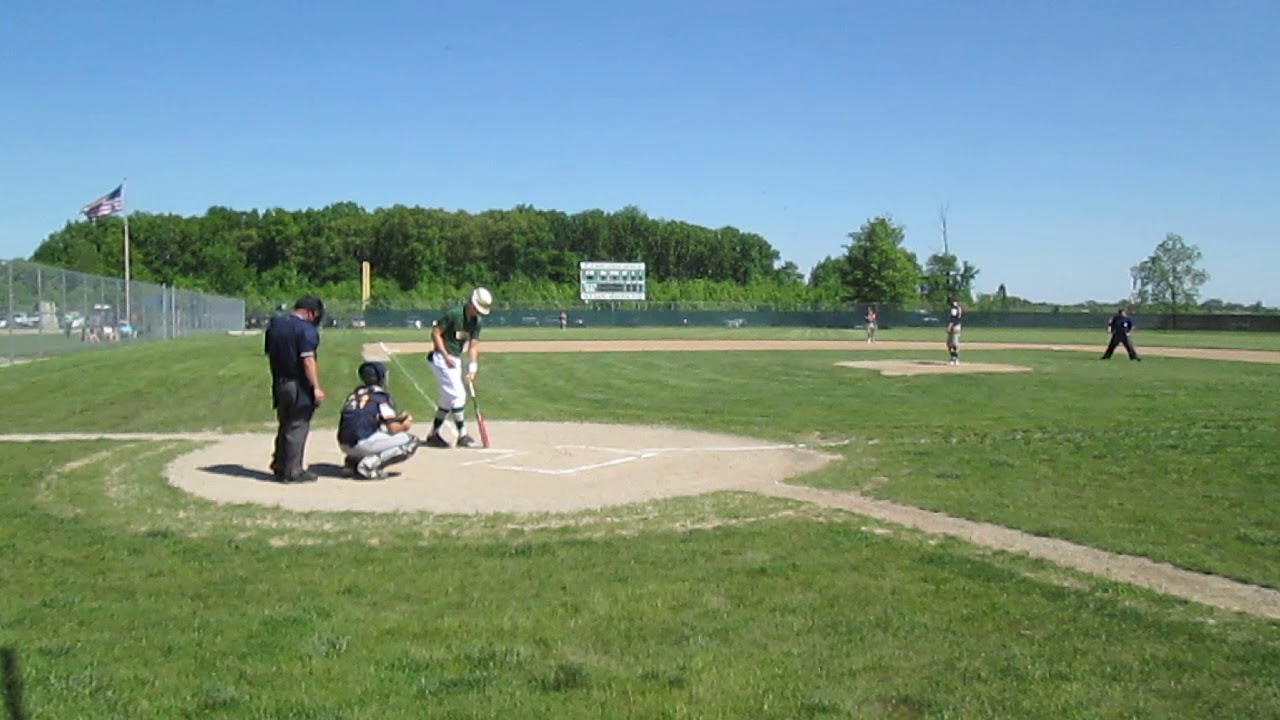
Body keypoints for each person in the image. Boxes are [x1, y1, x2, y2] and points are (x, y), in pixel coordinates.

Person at [264, 295, 326, 483]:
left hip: (279, 381)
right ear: (310, 313)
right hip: (297, 383)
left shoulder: (275, 325)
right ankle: (293, 471)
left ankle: (280, 465)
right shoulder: (305, 329)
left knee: (285, 423)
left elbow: (269, 353)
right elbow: (307, 360)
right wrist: (316, 387)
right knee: (297, 426)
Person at [423, 287, 492, 448]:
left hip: (455, 360)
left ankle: (433, 435)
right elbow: (435, 333)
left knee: (447, 400)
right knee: (459, 395)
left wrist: (473, 368)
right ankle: (463, 435)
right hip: (440, 358)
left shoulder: (477, 322)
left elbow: (473, 347)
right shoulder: (454, 314)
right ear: (471, 304)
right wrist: (445, 355)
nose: (478, 312)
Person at [337, 361, 420, 479]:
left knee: (372, 429)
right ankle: (368, 466)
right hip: (361, 444)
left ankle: (351, 463)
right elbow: (392, 428)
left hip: (343, 443)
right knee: (412, 441)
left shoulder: (354, 394)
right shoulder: (381, 397)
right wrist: (405, 425)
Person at [945, 297, 963, 365]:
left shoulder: (954, 308)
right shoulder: (958, 307)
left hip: (955, 326)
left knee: (953, 343)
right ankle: (954, 357)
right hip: (958, 326)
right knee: (950, 343)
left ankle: (955, 358)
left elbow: (953, 318)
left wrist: (949, 326)